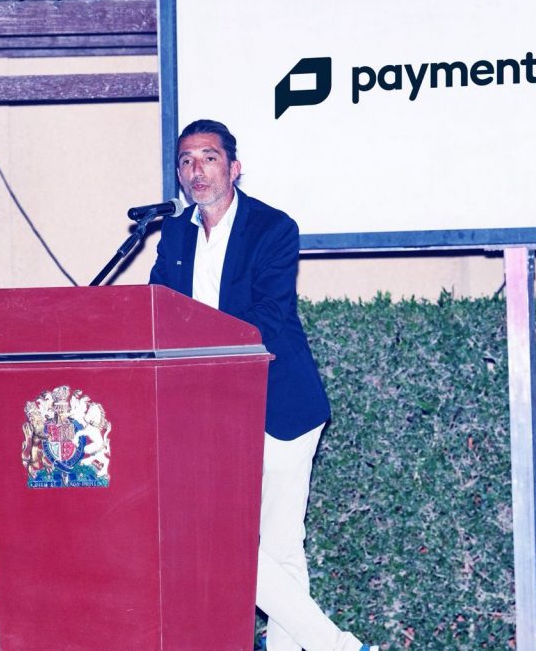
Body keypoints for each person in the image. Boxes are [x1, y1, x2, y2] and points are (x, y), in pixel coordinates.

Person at [150, 119, 371, 651]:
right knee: (237, 541)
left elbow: (267, 317)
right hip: (209, 412)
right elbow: (157, 307)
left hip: (279, 405)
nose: (197, 170)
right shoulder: (175, 233)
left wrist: (195, 336)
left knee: (274, 543)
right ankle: (336, 646)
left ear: (234, 167)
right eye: (186, 161)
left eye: (209, 157)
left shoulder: (272, 228)